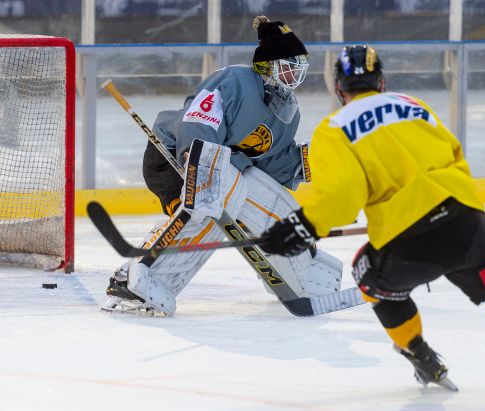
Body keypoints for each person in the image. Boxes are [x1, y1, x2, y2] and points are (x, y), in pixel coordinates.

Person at [257, 45, 485, 396]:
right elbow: (454, 155)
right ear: (381, 83)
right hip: (469, 225)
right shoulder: (415, 107)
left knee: (367, 275)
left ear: (338, 89)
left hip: (410, 244)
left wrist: (302, 226)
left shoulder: (334, 129)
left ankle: (421, 357)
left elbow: (341, 197)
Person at [102, 16, 343, 316]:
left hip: (225, 169)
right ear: (268, 63)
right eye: (290, 63)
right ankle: (138, 278)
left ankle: (302, 274)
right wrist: (201, 167)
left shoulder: (287, 113)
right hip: (174, 154)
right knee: (215, 199)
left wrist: (319, 161)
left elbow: (270, 161)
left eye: (299, 65)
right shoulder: (236, 81)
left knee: (267, 203)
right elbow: (198, 121)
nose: (296, 72)